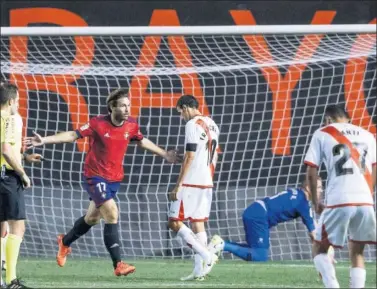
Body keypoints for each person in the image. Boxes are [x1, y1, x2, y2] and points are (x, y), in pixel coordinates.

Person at [24, 88, 181, 277]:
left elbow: (141, 140)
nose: (127, 109)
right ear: (112, 107)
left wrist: (164, 153)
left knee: (92, 218)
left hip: (114, 179)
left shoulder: (131, 125)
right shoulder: (97, 123)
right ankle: (118, 264)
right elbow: (73, 135)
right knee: (112, 213)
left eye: (128, 105)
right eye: (123, 105)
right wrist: (45, 140)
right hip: (95, 176)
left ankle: (64, 241)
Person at [305, 104, 376, 289]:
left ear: (328, 119)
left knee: (319, 247)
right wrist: (368, 192)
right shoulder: (368, 135)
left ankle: (332, 286)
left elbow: (312, 170)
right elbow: (375, 167)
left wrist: (315, 201)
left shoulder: (322, 132)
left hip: (340, 198)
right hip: (365, 200)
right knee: (358, 251)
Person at [168, 95, 220, 281]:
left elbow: (191, 156)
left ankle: (207, 255)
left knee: (174, 222)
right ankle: (199, 272)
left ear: (186, 107)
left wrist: (178, 185)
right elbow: (209, 155)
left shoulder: (191, 124)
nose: (181, 116)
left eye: (180, 112)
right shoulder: (213, 124)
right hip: (206, 182)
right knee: (198, 224)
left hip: (190, 182)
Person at [208, 177, 322, 262]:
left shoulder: (298, 195)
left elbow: (314, 231)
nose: (321, 190)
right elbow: (314, 234)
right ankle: (221, 245)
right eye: (318, 187)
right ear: (308, 187)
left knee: (257, 251)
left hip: (257, 211)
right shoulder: (303, 204)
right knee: (260, 256)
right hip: (259, 215)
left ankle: (220, 244)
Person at [0, 81, 42, 288]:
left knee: (3, 229)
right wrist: (23, 173)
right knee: (18, 227)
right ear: (10, 100)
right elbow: (6, 150)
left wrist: (24, 157)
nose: (18, 103)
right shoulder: (8, 119)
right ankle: (11, 280)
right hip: (7, 177)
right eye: (16, 100)